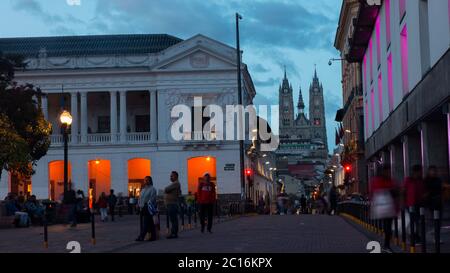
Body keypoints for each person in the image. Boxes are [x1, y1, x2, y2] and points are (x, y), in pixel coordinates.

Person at [370, 165, 399, 253]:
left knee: (388, 227)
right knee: (387, 227)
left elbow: (396, 190)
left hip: (389, 207)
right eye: (387, 171)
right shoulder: (377, 181)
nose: (388, 173)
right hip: (382, 207)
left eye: (389, 171)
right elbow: (374, 192)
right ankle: (386, 245)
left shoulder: (391, 180)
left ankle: (386, 244)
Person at [403, 165, 425, 244]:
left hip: (419, 204)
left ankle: (416, 236)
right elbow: (404, 191)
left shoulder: (421, 180)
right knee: (413, 221)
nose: (421, 173)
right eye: (420, 171)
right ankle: (414, 237)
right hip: (410, 204)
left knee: (417, 221)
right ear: (416, 172)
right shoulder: (408, 180)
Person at [423, 166, 446, 243]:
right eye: (432, 171)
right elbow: (425, 193)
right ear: (429, 172)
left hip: (438, 202)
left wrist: (442, 200)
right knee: (432, 221)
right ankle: (433, 236)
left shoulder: (438, 180)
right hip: (430, 203)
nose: (434, 172)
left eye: (435, 171)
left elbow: (441, 191)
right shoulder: (426, 180)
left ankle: (437, 237)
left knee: (438, 221)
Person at [136, 176, 157, 242]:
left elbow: (152, 199)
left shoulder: (153, 189)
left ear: (150, 181)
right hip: (142, 208)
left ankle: (141, 236)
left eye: (147, 180)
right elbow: (139, 198)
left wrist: (147, 204)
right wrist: (138, 204)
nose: (146, 181)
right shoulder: (143, 189)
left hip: (148, 208)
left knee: (146, 223)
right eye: (145, 180)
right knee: (150, 223)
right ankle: (153, 236)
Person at [164, 171, 181, 239]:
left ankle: (174, 233)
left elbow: (166, 189)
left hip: (172, 204)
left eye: (172, 176)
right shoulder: (174, 184)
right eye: (170, 176)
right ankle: (173, 233)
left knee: (173, 220)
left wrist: (166, 191)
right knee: (173, 219)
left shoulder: (176, 183)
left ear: (176, 176)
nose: (170, 177)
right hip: (170, 204)